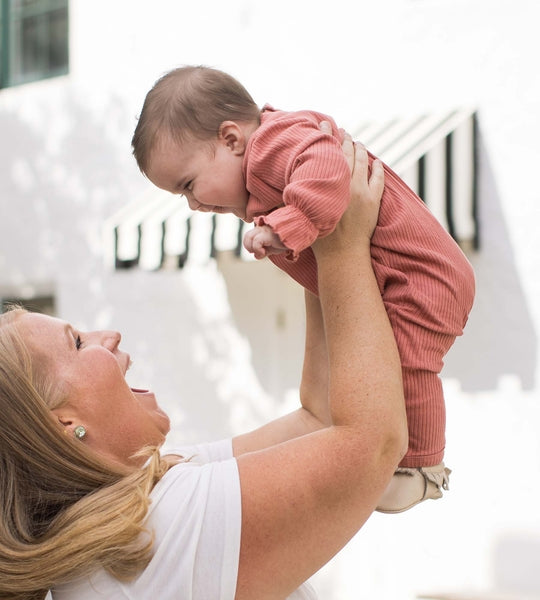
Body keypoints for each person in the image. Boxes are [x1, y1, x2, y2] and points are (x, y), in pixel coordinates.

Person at [0, 140, 408, 600]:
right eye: (76, 343)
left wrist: (308, 245)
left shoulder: (134, 512)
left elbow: (319, 420)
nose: (107, 335)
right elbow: (373, 443)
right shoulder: (157, 526)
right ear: (64, 424)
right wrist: (343, 245)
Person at [131, 65, 475, 512]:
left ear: (231, 139)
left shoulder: (274, 143)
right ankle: (409, 461)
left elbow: (329, 169)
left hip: (422, 275)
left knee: (407, 365)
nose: (194, 204)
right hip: (403, 275)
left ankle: (423, 467)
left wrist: (287, 225)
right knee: (386, 364)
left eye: (189, 186)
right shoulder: (263, 167)